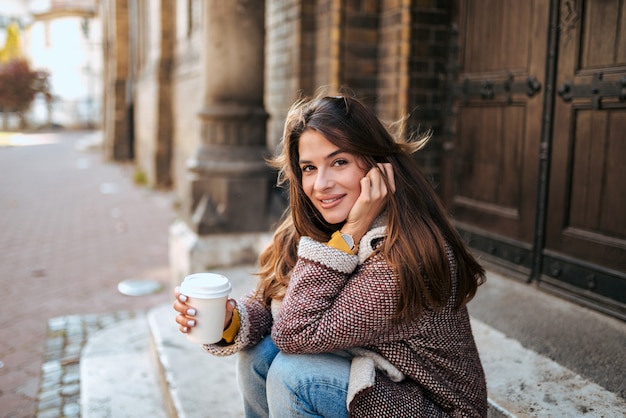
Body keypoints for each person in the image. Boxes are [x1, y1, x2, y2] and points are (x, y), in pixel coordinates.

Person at [174, 94, 488, 417]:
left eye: (339, 162)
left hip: (434, 407)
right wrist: (229, 320)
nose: (321, 185)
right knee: (259, 356)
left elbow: (294, 330)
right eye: (309, 168)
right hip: (384, 382)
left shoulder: (405, 257)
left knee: (293, 377)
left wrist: (350, 233)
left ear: (376, 165)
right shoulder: (318, 228)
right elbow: (273, 302)